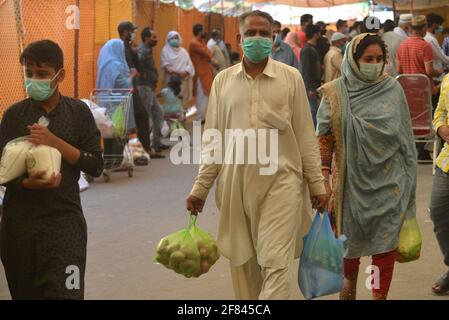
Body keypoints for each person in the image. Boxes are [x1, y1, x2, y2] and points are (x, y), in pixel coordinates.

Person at [186, 10, 327, 300]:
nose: (258, 39)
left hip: (282, 183)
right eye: (251, 33)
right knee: (246, 270)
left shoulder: (291, 78)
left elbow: (304, 134)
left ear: (274, 38)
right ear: (239, 39)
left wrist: (316, 184)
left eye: (264, 33)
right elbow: (213, 139)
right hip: (236, 187)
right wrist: (201, 188)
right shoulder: (223, 83)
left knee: (275, 262)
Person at [0, 40, 104, 299]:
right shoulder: (13, 116)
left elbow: (95, 164)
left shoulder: (78, 113)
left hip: (64, 224)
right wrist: (26, 183)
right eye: (29, 74)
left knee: (67, 292)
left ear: (60, 75)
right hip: (19, 228)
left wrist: (54, 142)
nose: (34, 80)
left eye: (43, 74)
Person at [317, 33, 417, 300]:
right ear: (353, 59)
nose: (375, 64)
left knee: (383, 250)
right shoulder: (335, 93)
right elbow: (324, 138)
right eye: (368, 59)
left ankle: (377, 296)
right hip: (350, 188)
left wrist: (409, 187)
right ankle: (348, 289)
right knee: (349, 252)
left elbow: (406, 139)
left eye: (379, 59)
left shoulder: (393, 89)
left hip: (389, 185)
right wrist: (323, 179)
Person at [397, 15, 442, 161]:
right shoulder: (424, 46)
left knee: (414, 117)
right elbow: (429, 71)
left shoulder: (402, 45)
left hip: (408, 91)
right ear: (423, 28)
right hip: (424, 91)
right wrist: (439, 71)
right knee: (435, 113)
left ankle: (419, 150)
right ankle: (433, 148)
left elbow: (398, 70)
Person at [118, 21, 163, 160]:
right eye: (131, 31)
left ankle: (147, 147)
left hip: (135, 86)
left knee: (146, 115)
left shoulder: (130, 47)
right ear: (126, 32)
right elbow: (131, 67)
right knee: (142, 116)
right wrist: (137, 73)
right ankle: (143, 149)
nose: (133, 34)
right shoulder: (122, 47)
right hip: (132, 86)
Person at [429, 73, 449, 296]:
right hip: (447, 162)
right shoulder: (447, 80)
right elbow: (440, 112)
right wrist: (441, 128)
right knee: (438, 213)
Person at [137, 27, 167, 159]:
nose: (156, 40)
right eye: (153, 37)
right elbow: (139, 63)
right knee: (148, 116)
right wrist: (143, 75)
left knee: (158, 113)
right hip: (144, 87)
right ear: (146, 38)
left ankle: (156, 143)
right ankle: (146, 147)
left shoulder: (146, 50)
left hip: (149, 87)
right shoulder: (142, 51)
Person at [161, 31, 195, 107]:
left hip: (183, 82)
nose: (174, 40)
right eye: (172, 38)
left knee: (183, 103)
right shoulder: (165, 50)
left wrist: (186, 72)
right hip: (171, 81)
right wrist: (179, 73)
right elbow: (166, 67)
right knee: (171, 104)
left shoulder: (183, 51)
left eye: (176, 38)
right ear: (168, 40)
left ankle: (183, 117)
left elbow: (189, 65)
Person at [189, 24, 213, 123]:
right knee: (202, 95)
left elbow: (208, 54)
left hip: (205, 71)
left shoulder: (201, 41)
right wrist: (208, 55)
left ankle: (203, 116)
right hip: (200, 73)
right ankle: (200, 117)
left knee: (206, 95)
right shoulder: (194, 43)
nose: (205, 32)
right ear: (199, 32)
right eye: (203, 30)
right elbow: (208, 54)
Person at [300, 24, 322, 128]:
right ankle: (315, 138)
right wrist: (310, 89)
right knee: (314, 112)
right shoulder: (307, 50)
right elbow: (306, 71)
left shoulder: (312, 48)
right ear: (315, 34)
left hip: (315, 86)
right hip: (312, 87)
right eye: (319, 33)